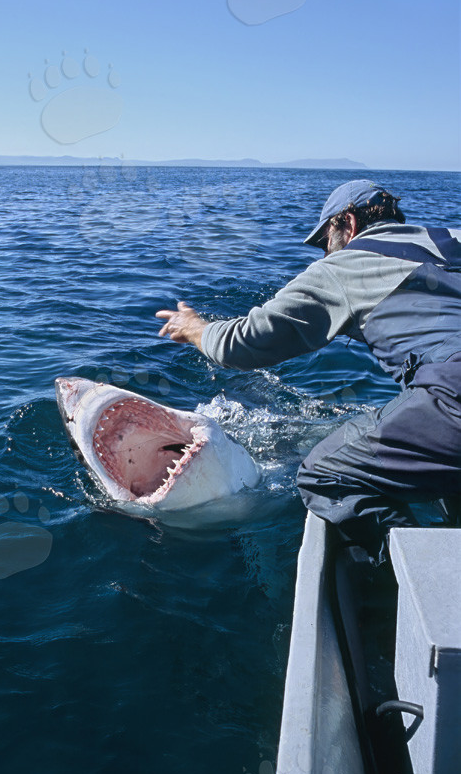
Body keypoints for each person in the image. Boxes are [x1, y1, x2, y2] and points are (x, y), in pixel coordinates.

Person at [156, 179, 461, 563]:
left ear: (347, 224)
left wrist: (196, 328)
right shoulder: (452, 237)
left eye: (324, 242)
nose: (323, 254)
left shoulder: (347, 263)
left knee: (325, 474)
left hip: (453, 391)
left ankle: (416, 585)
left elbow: (247, 341)